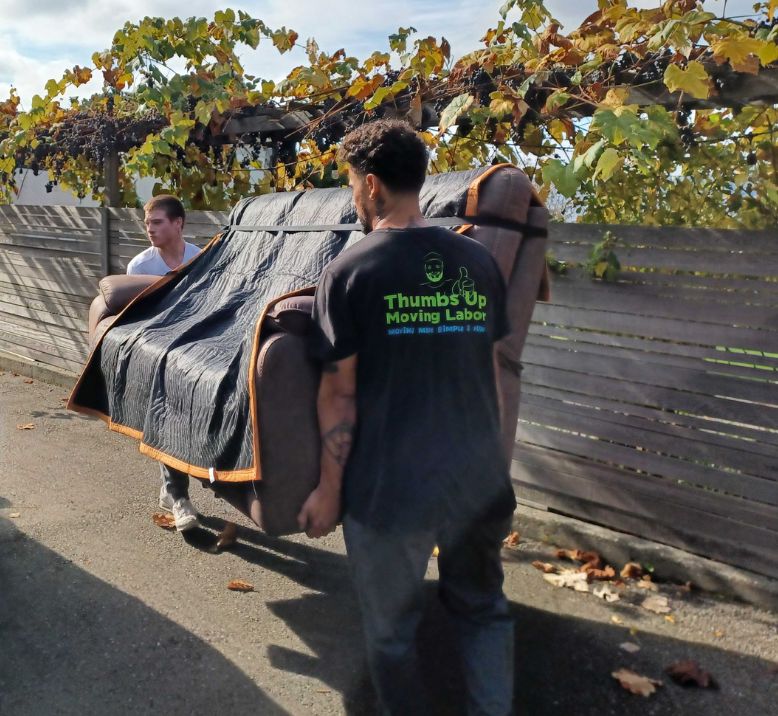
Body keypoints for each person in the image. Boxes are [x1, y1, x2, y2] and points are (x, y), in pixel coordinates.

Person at [299, 120, 516, 715]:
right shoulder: (478, 262)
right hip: (476, 481)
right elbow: (492, 373)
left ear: (371, 185)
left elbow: (339, 395)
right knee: (483, 613)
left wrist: (327, 489)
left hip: (391, 492)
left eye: (350, 185)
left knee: (392, 635)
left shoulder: (349, 272)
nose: (353, 197)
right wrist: (494, 467)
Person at [127, 194, 201, 531]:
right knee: (169, 417)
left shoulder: (202, 259)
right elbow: (134, 323)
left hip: (199, 355)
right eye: (147, 223)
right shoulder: (140, 268)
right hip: (158, 360)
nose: (150, 229)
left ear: (178, 223)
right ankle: (177, 496)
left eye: (157, 222)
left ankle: (177, 489)